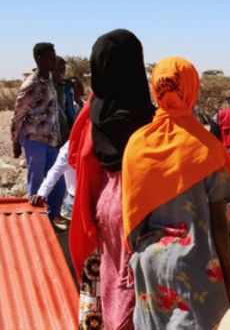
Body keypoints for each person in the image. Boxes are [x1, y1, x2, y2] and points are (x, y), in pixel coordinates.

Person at [123, 57, 230, 329]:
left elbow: (130, 216)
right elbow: (221, 226)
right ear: (191, 89)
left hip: (149, 264)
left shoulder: (137, 145)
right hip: (195, 266)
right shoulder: (207, 149)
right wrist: (228, 280)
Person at [69, 29, 156, 330]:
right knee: (134, 288)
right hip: (144, 208)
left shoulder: (91, 112)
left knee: (108, 287)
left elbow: (74, 158)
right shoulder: (151, 117)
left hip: (101, 211)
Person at [10, 42, 65, 220]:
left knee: (57, 184)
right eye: (50, 58)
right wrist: (16, 142)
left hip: (52, 140)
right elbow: (18, 116)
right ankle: (35, 224)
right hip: (34, 140)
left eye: (54, 57)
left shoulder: (49, 80)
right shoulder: (31, 85)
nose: (53, 61)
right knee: (36, 185)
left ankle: (49, 220)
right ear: (39, 59)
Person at [29, 140, 75, 230]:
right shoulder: (71, 146)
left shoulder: (101, 143)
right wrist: (42, 193)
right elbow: (55, 171)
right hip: (75, 200)